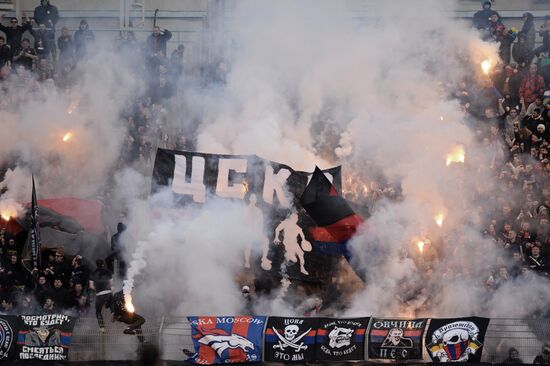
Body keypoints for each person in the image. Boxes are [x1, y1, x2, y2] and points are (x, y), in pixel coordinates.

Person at [89, 259, 112, 332]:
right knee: (112, 306)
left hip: (100, 294)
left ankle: (102, 328)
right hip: (109, 292)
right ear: (103, 264)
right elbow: (112, 283)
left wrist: (97, 289)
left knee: (98, 311)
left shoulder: (93, 273)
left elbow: (91, 286)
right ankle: (113, 313)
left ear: (96, 264)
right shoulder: (108, 272)